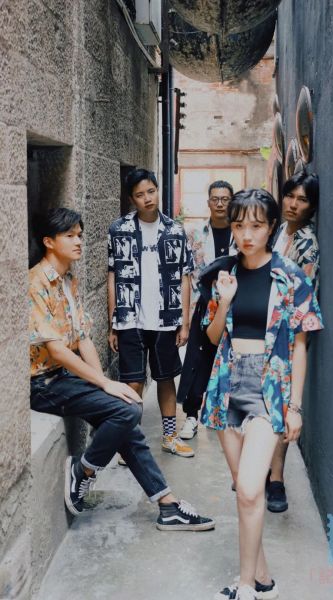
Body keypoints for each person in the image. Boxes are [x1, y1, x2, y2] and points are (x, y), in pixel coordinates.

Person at [29, 207, 214, 532]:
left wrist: (105, 384)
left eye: (80, 235)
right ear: (49, 241)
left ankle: (167, 504)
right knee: (128, 410)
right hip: (41, 384)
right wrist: (105, 384)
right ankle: (83, 471)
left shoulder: (68, 280)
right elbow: (56, 349)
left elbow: (83, 338)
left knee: (126, 410)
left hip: (63, 377)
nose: (79, 241)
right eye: (70, 236)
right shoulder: (35, 282)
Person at [200, 189, 323, 600]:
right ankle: (265, 579)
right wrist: (225, 301)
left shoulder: (291, 277)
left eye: (255, 225)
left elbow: (300, 346)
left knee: (253, 489)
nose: (246, 235)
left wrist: (295, 407)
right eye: (239, 226)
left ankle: (246, 586)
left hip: (269, 388)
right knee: (244, 490)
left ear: (272, 227)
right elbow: (212, 337)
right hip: (227, 384)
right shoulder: (225, 273)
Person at [108, 168, 195, 458]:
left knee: (166, 379)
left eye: (151, 191)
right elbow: (113, 275)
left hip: (165, 319)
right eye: (139, 194)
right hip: (130, 319)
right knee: (132, 382)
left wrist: (184, 322)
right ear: (131, 199)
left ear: (157, 191)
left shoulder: (175, 231)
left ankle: (170, 437)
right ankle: (128, 443)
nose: (147, 198)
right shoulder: (119, 229)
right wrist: (113, 323)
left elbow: (185, 277)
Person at [267, 170, 320, 513]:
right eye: (290, 196)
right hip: (261, 330)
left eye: (302, 200)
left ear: (311, 207)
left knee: (282, 407)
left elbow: (304, 298)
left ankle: (277, 479)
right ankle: (262, 468)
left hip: (287, 335)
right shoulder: (276, 230)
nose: (293, 204)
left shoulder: (307, 244)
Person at [178, 180, 237, 440]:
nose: (220, 203)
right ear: (208, 202)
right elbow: (186, 276)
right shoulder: (194, 234)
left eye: (225, 199)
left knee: (228, 360)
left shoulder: (239, 233)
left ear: (232, 201)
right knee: (196, 362)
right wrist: (185, 321)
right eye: (216, 199)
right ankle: (191, 416)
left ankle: (225, 416)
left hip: (232, 308)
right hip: (203, 307)